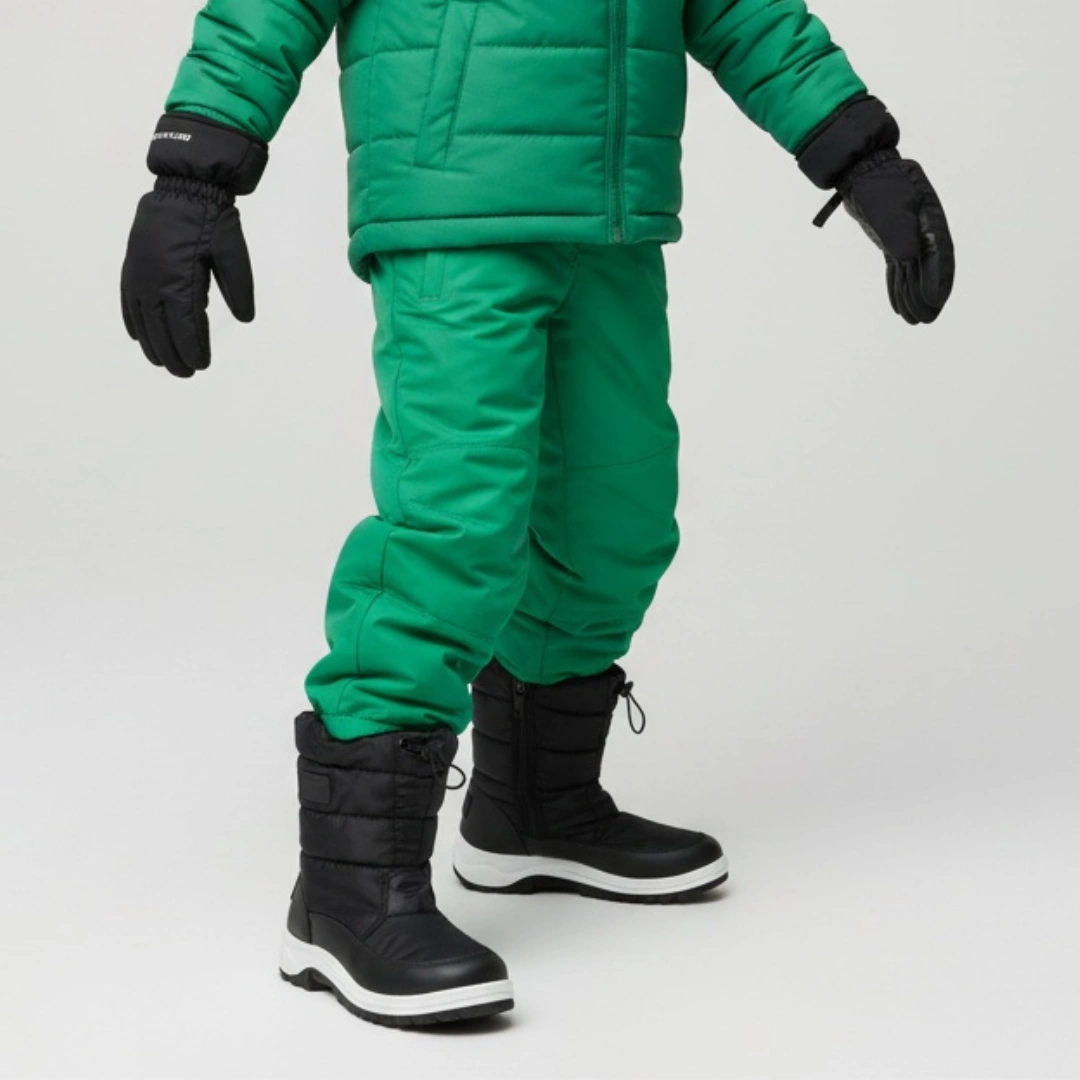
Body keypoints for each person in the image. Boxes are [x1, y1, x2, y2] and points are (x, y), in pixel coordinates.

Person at [120, 0, 955, 1027]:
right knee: (454, 527)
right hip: (453, 204)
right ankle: (344, 894)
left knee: (615, 518)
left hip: (610, 211)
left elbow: (738, 8)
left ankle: (535, 811)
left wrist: (860, 152)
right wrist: (194, 172)